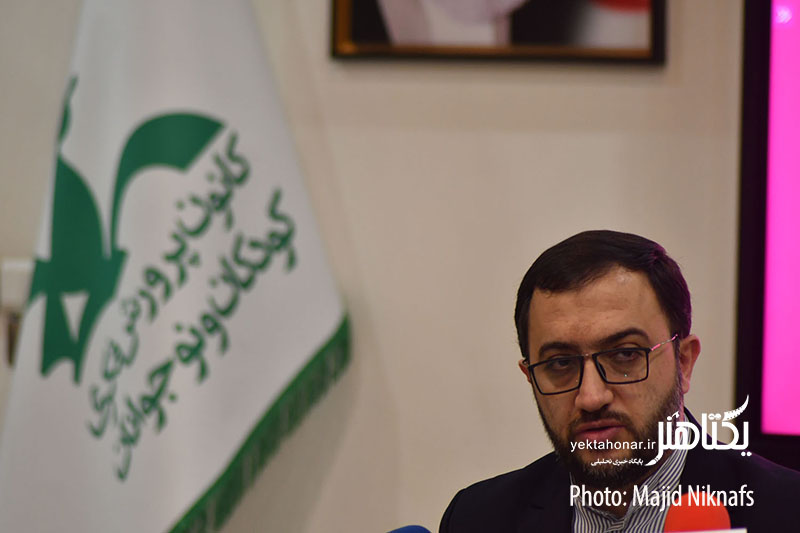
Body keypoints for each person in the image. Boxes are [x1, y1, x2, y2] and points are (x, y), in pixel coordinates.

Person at [439, 230, 800, 532]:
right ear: (530, 377)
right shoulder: (479, 518)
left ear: (684, 362)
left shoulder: (786, 510)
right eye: (561, 363)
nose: (591, 397)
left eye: (625, 355)